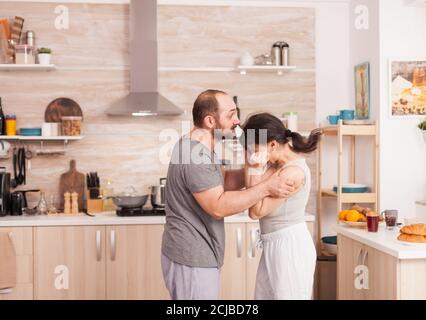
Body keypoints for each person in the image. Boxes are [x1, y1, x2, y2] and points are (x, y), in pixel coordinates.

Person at [161, 90, 295, 300]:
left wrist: (252, 165)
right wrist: (268, 187)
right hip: (192, 257)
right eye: (231, 115)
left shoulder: (198, 148)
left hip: (195, 255)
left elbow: (222, 182)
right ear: (210, 121)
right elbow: (218, 207)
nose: (237, 120)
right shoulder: (195, 156)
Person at [242, 112, 321, 300]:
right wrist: (250, 164)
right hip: (272, 245)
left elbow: (255, 210)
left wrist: (251, 166)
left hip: (290, 247)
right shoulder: (276, 167)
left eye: (254, 149)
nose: (252, 154)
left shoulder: (292, 172)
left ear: (272, 144)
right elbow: (252, 194)